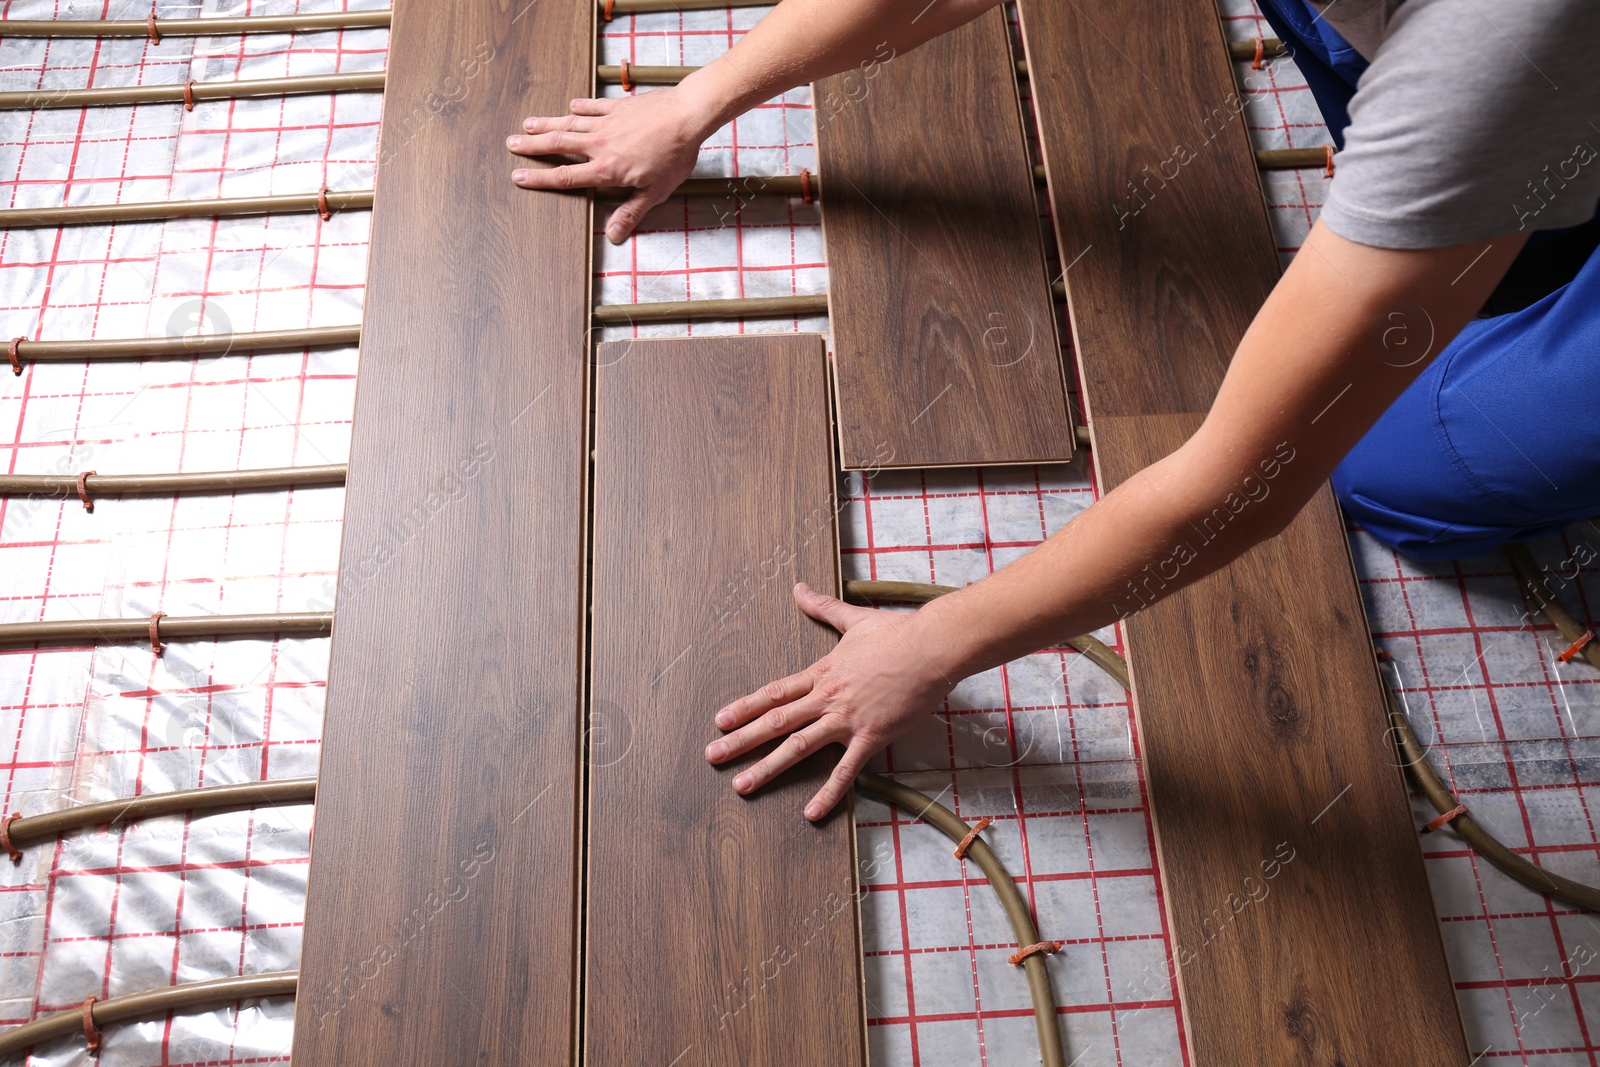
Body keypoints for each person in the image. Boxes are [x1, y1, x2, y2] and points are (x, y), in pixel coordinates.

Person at [507, 0, 1600, 820]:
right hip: (1521, 95)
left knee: (1384, 465)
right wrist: (702, 101)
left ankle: (1510, 224)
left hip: (1525, 74)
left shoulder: (1493, 48)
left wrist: (931, 645)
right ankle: (1504, 213)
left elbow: (1241, 485)